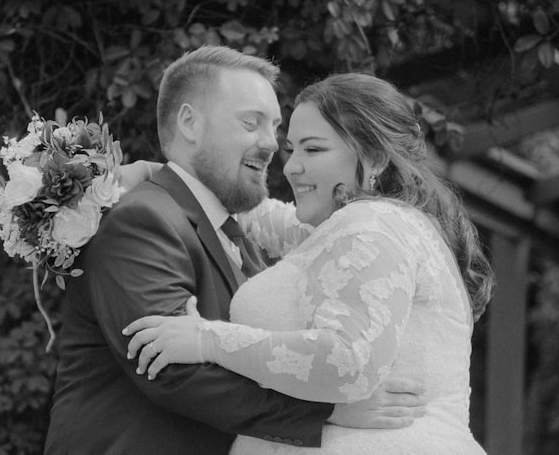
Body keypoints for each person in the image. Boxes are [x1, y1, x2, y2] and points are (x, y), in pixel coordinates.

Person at [44, 48, 424, 455]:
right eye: (251, 123)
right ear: (190, 123)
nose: (270, 144)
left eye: (274, 127)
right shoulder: (141, 220)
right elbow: (171, 370)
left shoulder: (238, 233)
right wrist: (329, 412)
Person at [123, 72, 493, 454]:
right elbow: (253, 213)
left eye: (313, 150)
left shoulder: (371, 226)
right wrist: (156, 174)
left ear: (375, 158)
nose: (290, 167)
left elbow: (347, 362)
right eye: (292, 149)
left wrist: (206, 339)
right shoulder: (367, 226)